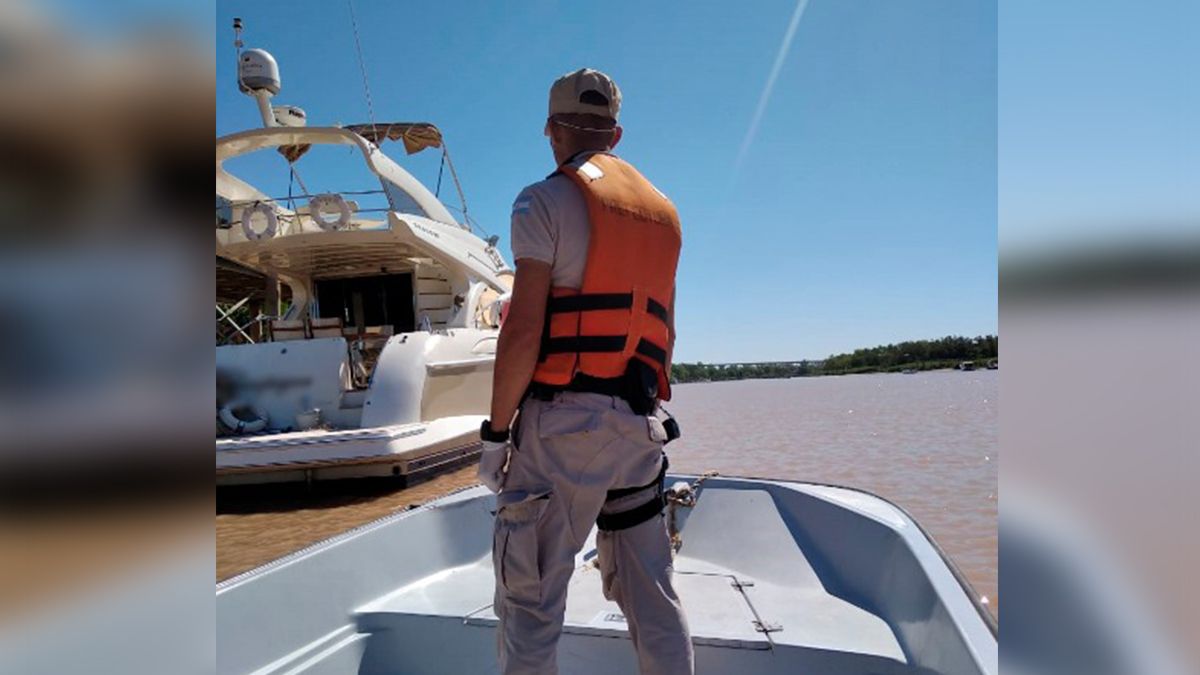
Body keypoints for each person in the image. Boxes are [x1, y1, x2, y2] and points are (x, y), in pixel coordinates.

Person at [477, 68, 694, 675]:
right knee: (654, 598)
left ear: (550, 130)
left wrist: (496, 436)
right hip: (639, 428)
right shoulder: (664, 215)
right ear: (615, 135)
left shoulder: (541, 201)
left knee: (530, 604)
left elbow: (523, 331)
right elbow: (666, 333)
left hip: (562, 431)